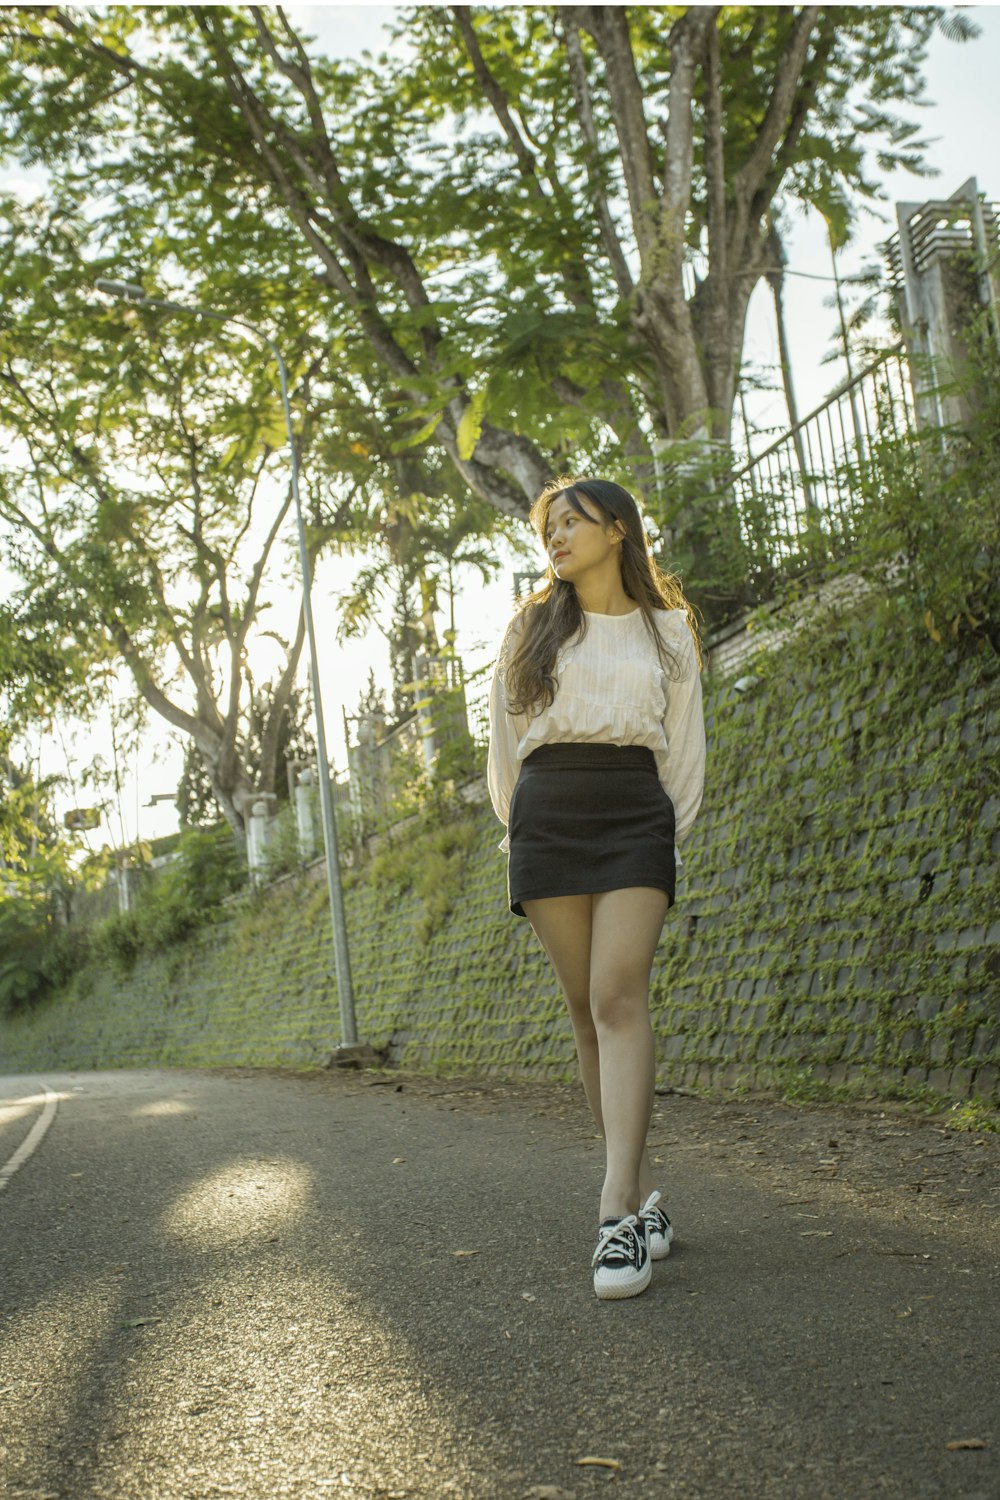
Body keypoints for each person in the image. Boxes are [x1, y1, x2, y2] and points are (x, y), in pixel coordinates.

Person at [487, 476, 706, 1301]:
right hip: (547, 816)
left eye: (572, 521)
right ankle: (640, 1190)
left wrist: (663, 837)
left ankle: (615, 1209)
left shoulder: (670, 633)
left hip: (632, 817)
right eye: (548, 527)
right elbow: (505, 749)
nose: (556, 536)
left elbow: (685, 750)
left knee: (619, 997)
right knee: (586, 1012)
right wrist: (524, 830)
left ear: (618, 530)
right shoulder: (529, 627)